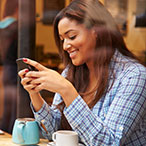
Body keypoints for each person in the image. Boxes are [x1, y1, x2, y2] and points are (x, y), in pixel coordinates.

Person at [18, 0, 146, 145]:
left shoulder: (134, 76)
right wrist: (34, 93)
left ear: (97, 31)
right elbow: (52, 133)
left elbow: (108, 142)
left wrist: (67, 90)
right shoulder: (70, 73)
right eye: (62, 39)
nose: (65, 46)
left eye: (71, 36)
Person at [0, 0, 18, 133]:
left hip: (5, 69)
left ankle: (5, 130)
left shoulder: (1, 26)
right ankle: (13, 132)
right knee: (16, 106)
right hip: (14, 69)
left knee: (7, 104)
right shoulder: (16, 27)